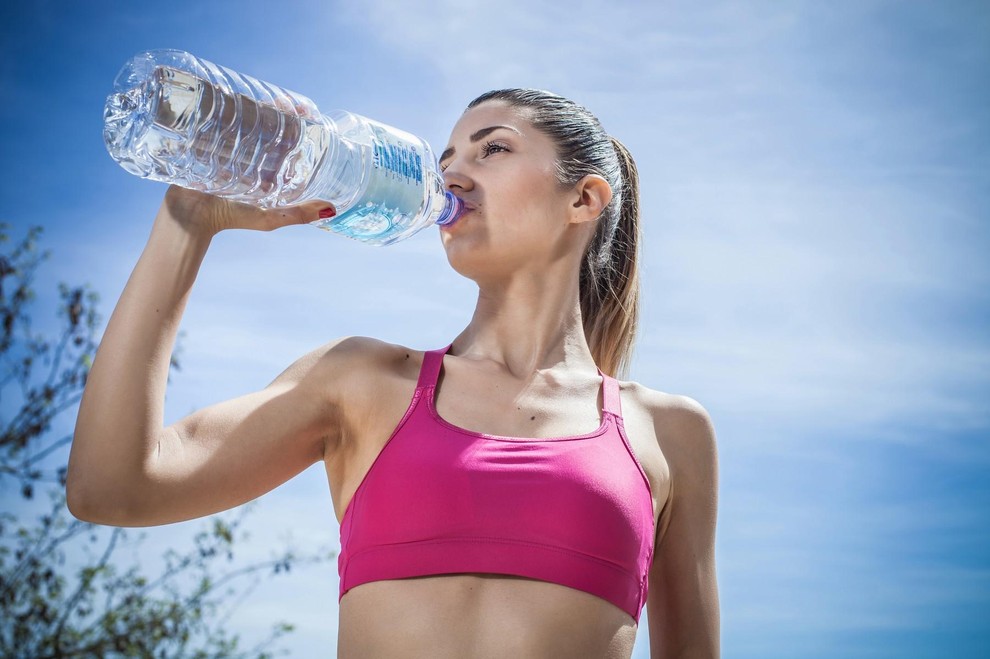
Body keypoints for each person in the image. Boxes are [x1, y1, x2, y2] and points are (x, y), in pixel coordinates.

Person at [68, 88, 720, 658]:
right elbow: (111, 485)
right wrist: (188, 222)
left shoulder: (668, 432)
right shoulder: (360, 381)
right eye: (445, 161)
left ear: (583, 197)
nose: (453, 177)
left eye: (492, 150)